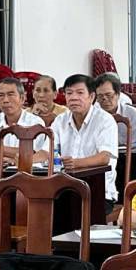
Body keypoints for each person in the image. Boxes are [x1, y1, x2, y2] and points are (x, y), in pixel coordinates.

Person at [52, 73, 119, 202]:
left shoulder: (105, 120)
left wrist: (76, 163)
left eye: (80, 93)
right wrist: (26, 160)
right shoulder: (60, 120)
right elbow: (47, 151)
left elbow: (104, 157)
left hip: (98, 191)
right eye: (69, 93)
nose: (73, 98)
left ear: (92, 97)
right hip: (64, 188)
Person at [0, 76, 44, 157]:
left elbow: (30, 153)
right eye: (1, 95)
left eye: (10, 95)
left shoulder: (35, 123)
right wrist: (7, 160)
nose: (5, 100)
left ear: (22, 98)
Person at [93, 72, 136, 140]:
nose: (104, 99)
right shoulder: (93, 114)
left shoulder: (134, 115)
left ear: (118, 94)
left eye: (108, 95)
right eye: (100, 96)